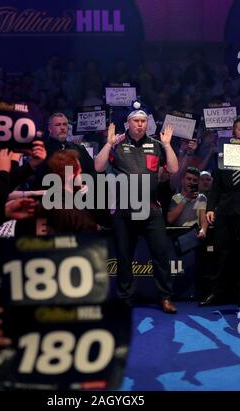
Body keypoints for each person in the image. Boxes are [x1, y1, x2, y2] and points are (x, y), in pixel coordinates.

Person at [94, 109, 179, 313]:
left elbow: (174, 170)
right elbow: (98, 167)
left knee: (161, 255)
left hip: (151, 210)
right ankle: (125, 298)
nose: (140, 124)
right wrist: (108, 143)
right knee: (124, 257)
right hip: (123, 212)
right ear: (128, 124)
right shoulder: (116, 144)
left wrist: (167, 145)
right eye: (136, 121)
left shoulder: (158, 145)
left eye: (143, 121)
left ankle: (165, 297)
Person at [200, 118, 240, 307]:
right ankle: (216, 293)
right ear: (234, 132)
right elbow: (215, 186)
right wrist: (210, 208)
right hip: (225, 210)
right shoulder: (224, 154)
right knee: (221, 253)